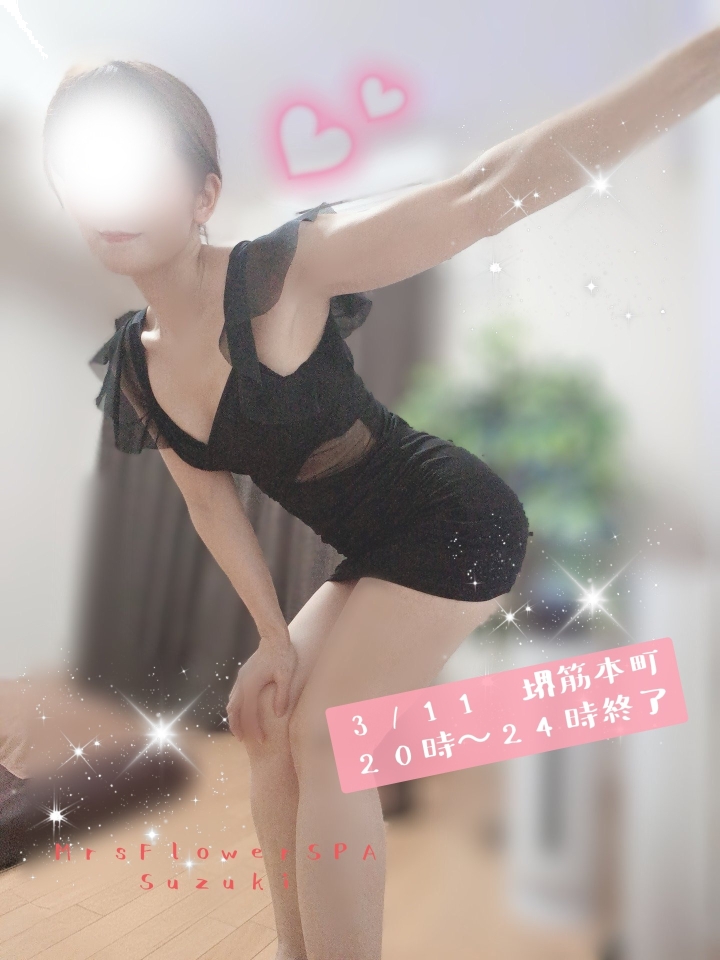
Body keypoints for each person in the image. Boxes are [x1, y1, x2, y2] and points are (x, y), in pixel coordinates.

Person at [43, 28, 720, 960]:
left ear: (204, 195)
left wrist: (701, 62)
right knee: (267, 724)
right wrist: (273, 640)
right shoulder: (135, 362)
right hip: (374, 549)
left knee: (332, 735)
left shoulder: (282, 272)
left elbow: (482, 191)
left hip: (455, 516)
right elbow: (209, 503)